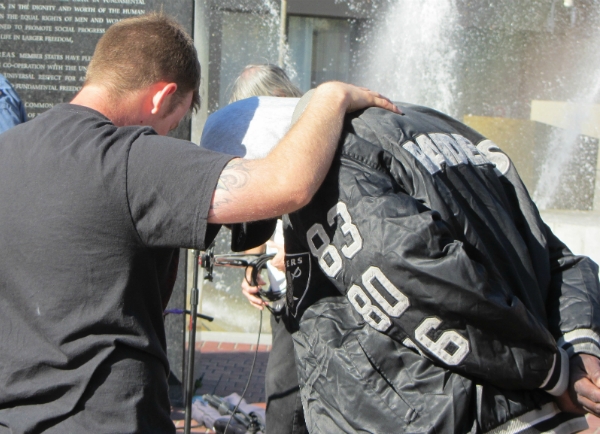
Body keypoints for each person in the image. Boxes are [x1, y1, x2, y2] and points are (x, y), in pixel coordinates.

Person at [0, 13, 398, 434]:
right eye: (174, 122)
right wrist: (329, 98)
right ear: (161, 96)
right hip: (110, 419)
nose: (168, 134)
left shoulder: (8, 151)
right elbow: (287, 184)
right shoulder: (133, 160)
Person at [200, 93, 600, 433]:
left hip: (441, 414)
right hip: (519, 410)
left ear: (266, 162)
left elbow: (419, 281)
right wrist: (579, 348)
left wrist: (552, 371)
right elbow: (556, 255)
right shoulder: (436, 126)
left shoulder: (332, 165)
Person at [209, 64, 307, 434]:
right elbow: (264, 222)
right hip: (286, 298)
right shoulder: (273, 142)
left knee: (286, 407)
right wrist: (256, 267)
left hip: (317, 300)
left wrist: (299, 256)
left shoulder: (312, 138)